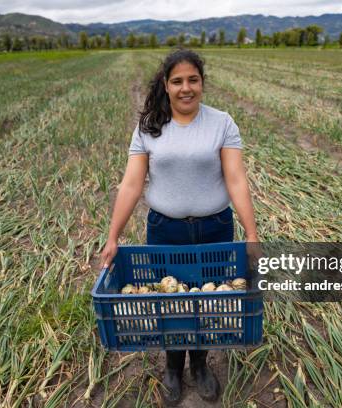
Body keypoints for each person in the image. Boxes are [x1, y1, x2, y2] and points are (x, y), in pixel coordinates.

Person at [99, 48, 259, 405]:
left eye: (193, 80)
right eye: (177, 81)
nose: (186, 88)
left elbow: (236, 180)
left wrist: (251, 233)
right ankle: (173, 366)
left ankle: (200, 365)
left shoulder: (222, 123)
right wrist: (112, 236)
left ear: (202, 83)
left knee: (204, 300)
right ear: (166, 85)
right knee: (169, 302)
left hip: (215, 228)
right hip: (165, 231)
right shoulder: (150, 127)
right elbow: (130, 184)